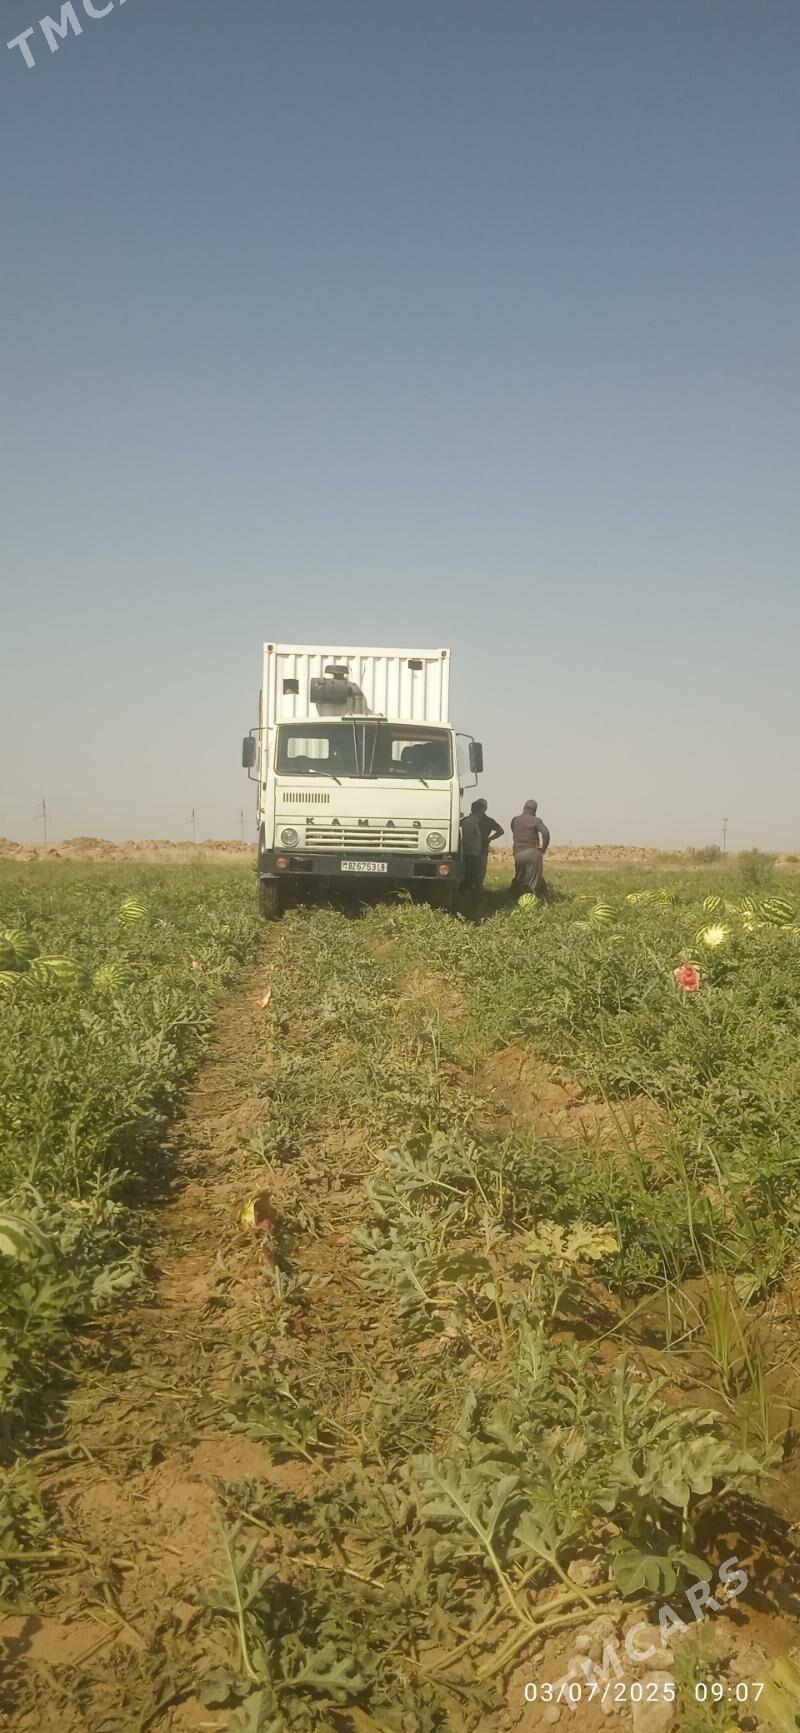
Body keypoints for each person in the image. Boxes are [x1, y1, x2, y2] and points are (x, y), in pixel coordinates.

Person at [510, 799, 551, 899]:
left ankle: (515, 898)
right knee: (533, 881)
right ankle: (531, 901)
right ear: (535, 810)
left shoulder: (515, 819)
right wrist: (543, 848)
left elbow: (513, 830)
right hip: (532, 852)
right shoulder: (535, 820)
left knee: (520, 878)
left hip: (518, 853)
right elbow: (545, 832)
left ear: (524, 808)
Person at [472, 799, 504, 890]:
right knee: (480, 875)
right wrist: (489, 839)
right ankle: (478, 893)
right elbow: (500, 831)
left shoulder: (469, 819)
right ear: (485, 808)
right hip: (482, 849)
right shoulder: (489, 821)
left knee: (470, 873)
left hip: (469, 850)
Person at [460, 806, 483, 895]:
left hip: (472, 854)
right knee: (468, 876)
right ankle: (465, 896)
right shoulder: (470, 822)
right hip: (469, 854)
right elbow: (466, 838)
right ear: (480, 811)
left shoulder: (474, 822)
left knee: (471, 876)